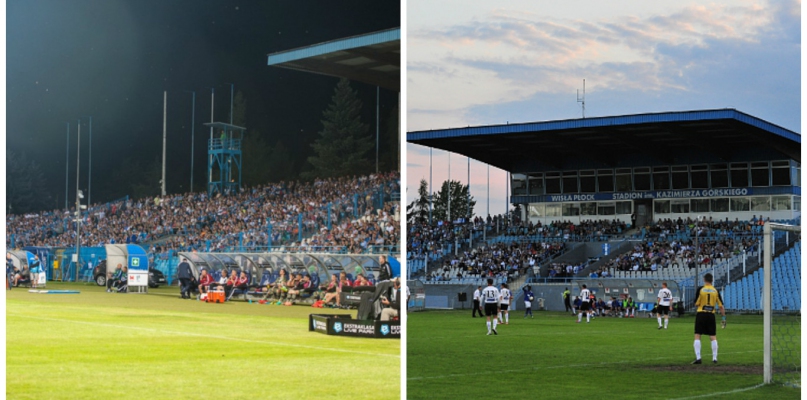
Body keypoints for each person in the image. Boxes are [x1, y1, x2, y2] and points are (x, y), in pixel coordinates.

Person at [692, 273, 725, 364]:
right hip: (711, 315)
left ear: (704, 280)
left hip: (701, 314)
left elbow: (696, 304)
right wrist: (723, 318)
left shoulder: (701, 289)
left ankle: (698, 358)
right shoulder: (715, 291)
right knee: (713, 336)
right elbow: (721, 306)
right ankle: (714, 358)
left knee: (697, 335)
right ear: (712, 280)